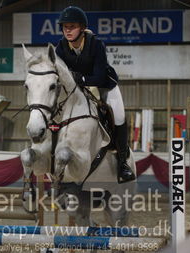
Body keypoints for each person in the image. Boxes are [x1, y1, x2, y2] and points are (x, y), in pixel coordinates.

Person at [55, 6, 135, 183]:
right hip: (78, 90)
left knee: (119, 116)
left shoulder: (96, 45)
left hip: (105, 86)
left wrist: (77, 78)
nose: (67, 30)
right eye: (65, 27)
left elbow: (98, 77)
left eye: (72, 26)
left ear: (82, 28)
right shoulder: (60, 48)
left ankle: (123, 164)